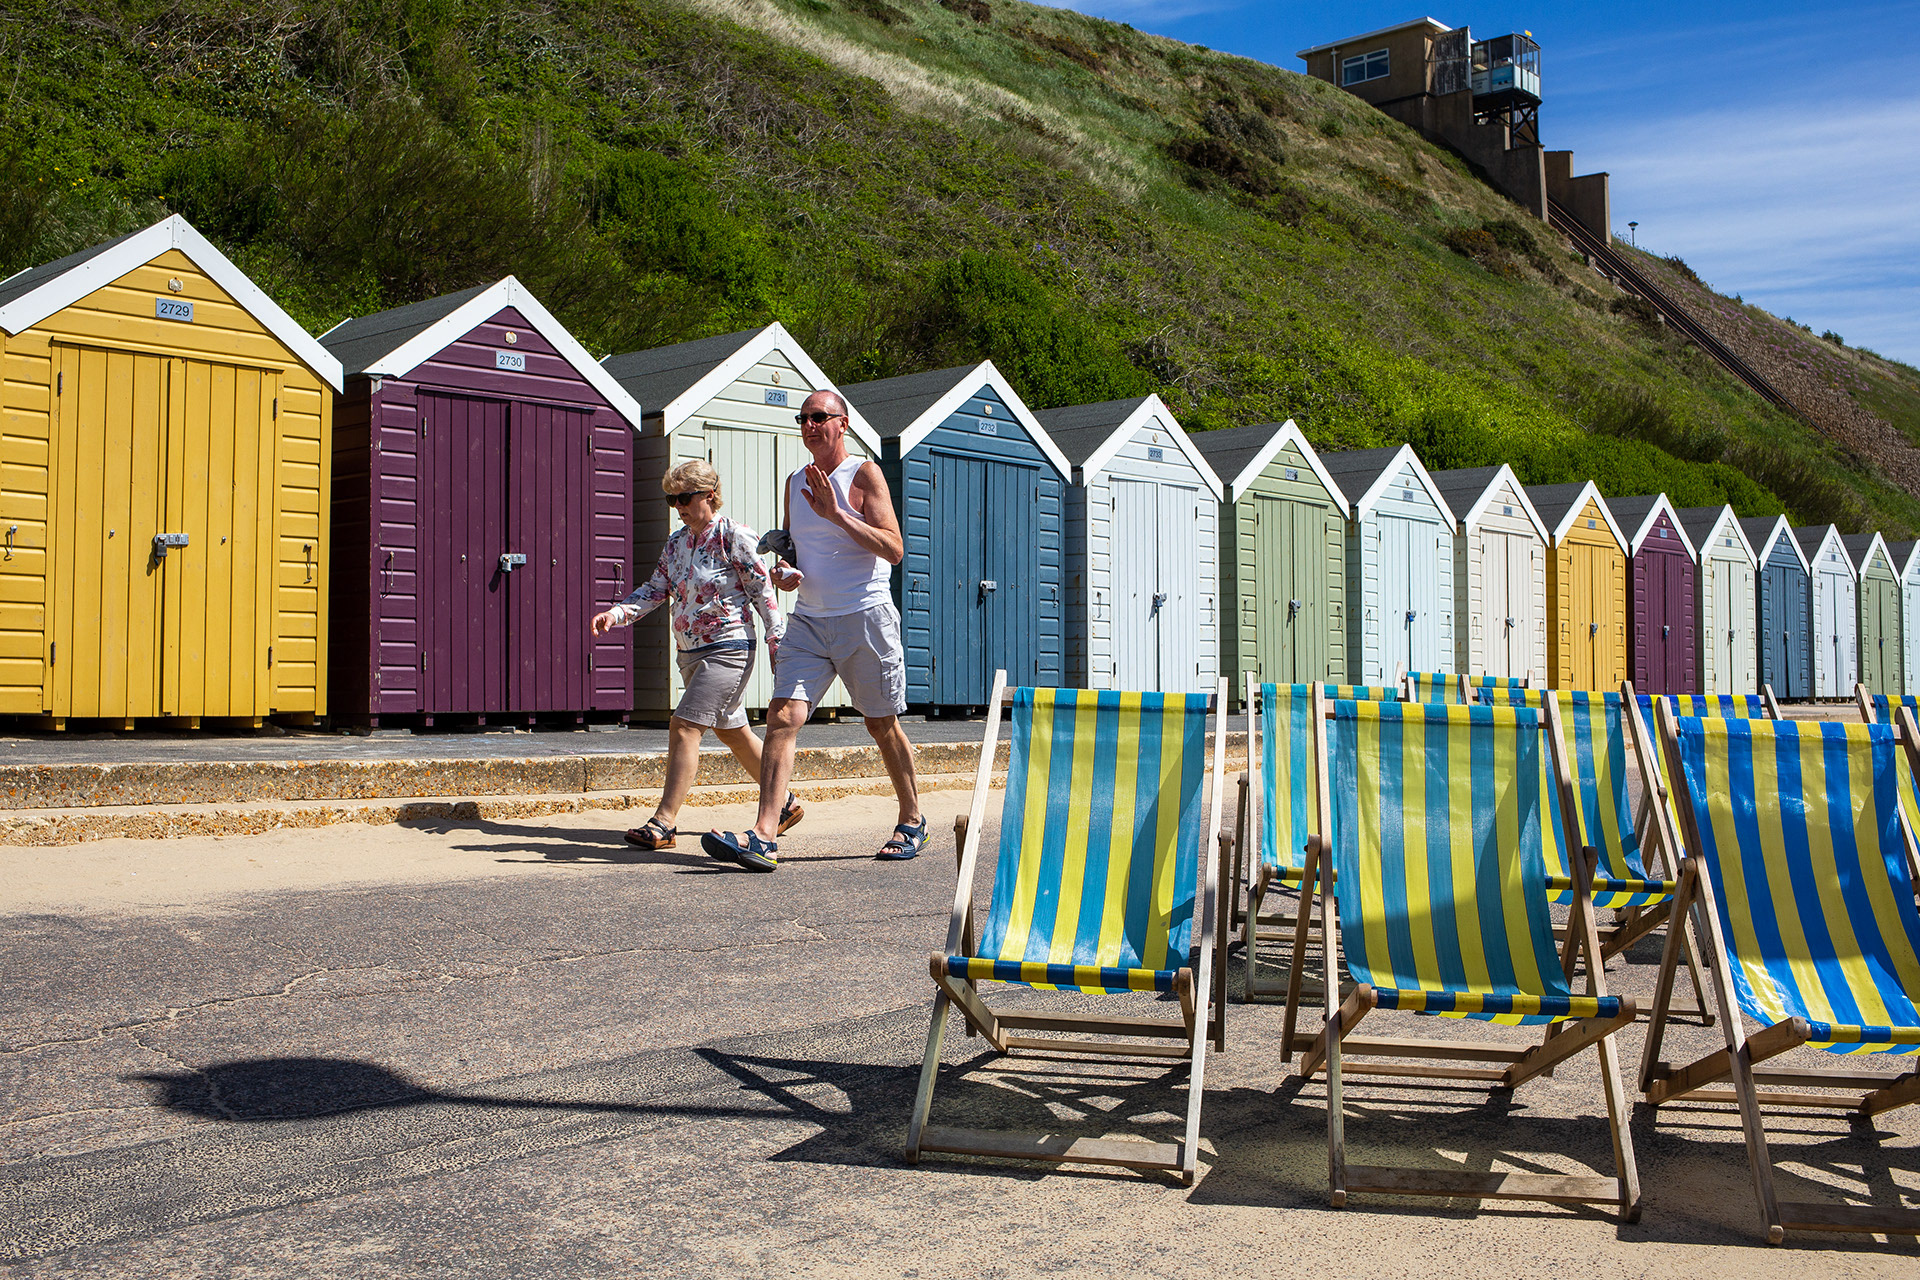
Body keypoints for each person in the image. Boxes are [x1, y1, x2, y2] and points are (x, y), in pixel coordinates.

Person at [701, 389, 923, 872]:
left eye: (819, 417)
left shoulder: (864, 473)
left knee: (880, 723)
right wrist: (785, 570)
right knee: (782, 717)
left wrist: (838, 513)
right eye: (802, 418)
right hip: (809, 618)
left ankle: (911, 819)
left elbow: (893, 549)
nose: (808, 425)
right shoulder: (794, 481)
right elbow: (793, 548)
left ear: (842, 424)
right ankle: (763, 835)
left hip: (864, 617)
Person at [590, 460, 802, 853]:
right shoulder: (676, 543)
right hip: (691, 653)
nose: (678, 506)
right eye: (672, 499)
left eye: (684, 497)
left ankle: (664, 823)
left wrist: (777, 643)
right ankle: (784, 803)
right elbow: (654, 591)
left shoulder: (734, 536)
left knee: (684, 726)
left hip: (729, 648)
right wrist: (616, 614)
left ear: (709, 494)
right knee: (731, 731)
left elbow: (762, 593)